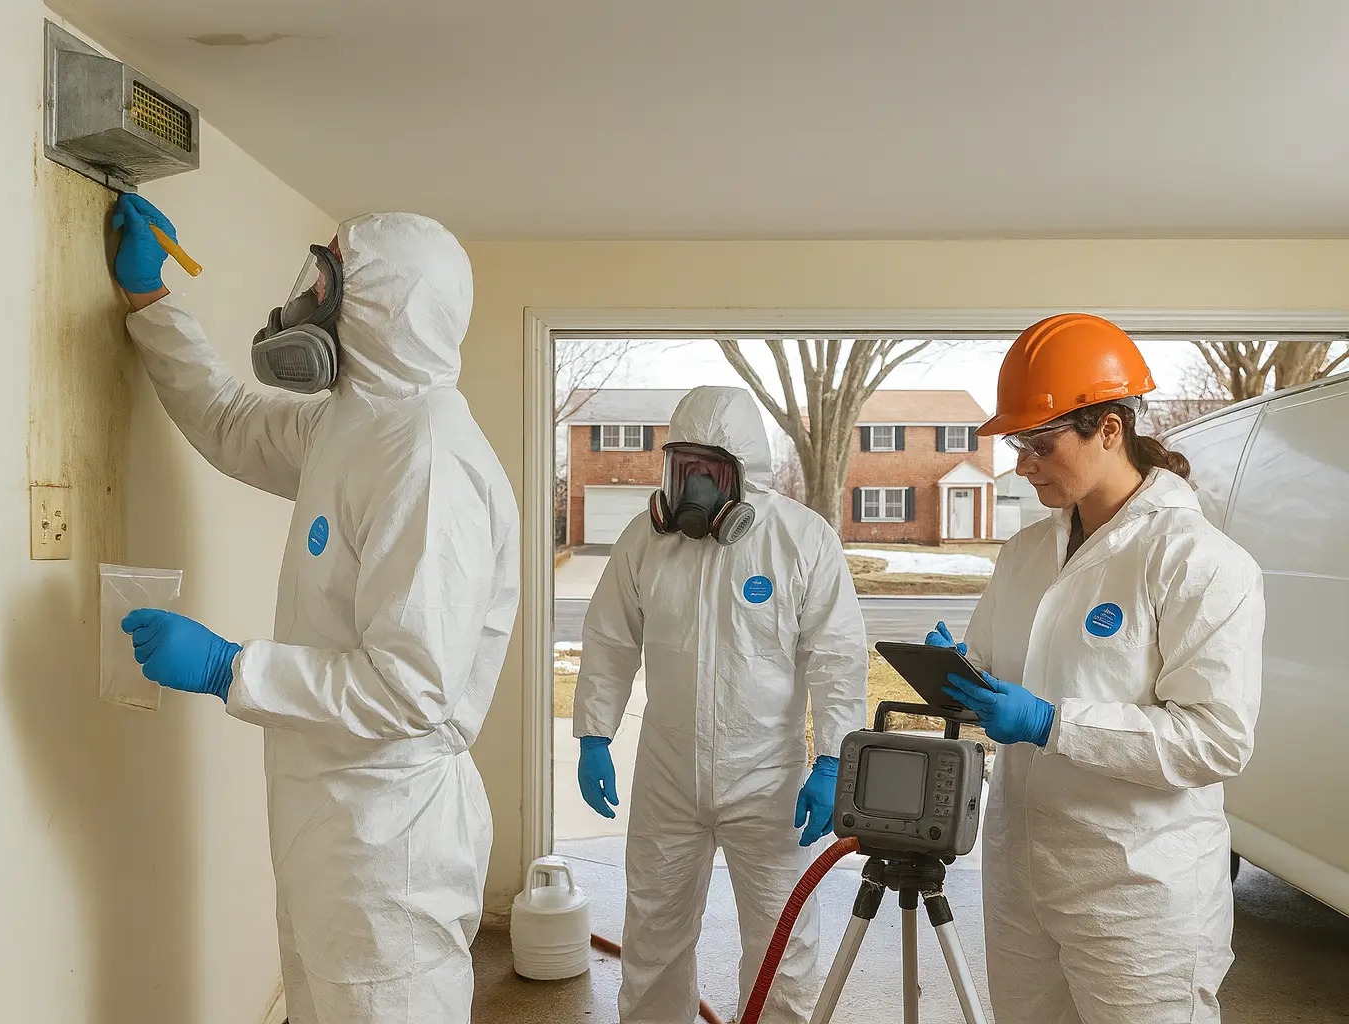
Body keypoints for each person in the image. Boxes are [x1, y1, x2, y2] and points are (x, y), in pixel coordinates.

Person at [109, 194, 520, 1024]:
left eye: (324, 282)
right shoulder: (356, 422)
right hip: (332, 823)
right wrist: (151, 303)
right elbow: (229, 421)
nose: (304, 302)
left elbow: (411, 691)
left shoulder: (428, 462)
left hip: (388, 842)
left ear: (376, 308)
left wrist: (231, 667)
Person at [929, 313, 1265, 1024]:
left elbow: (1217, 739)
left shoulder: (1197, 562)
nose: (1023, 464)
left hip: (1138, 894)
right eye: (1020, 444)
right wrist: (958, 676)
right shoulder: (1024, 554)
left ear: (1109, 430)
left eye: (1041, 444)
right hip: (1021, 878)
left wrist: (1054, 722)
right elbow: (992, 670)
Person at [573, 385, 869, 1024]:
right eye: (684, 469)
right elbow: (608, 637)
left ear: (744, 474)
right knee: (653, 935)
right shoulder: (645, 542)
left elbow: (838, 660)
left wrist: (832, 760)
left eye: (709, 471)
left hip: (771, 782)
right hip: (668, 775)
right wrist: (593, 734)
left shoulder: (800, 540)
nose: (694, 487)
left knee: (783, 945)